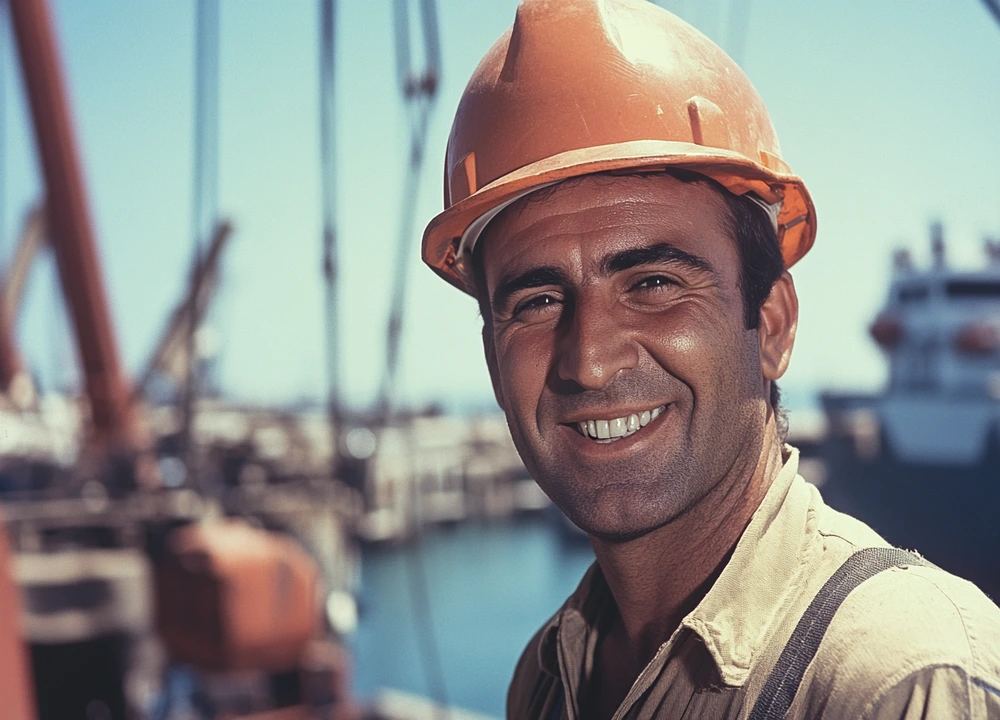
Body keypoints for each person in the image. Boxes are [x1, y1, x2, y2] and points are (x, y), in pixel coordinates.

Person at [420, 1, 1000, 718]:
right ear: (492, 360)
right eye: (538, 301)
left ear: (772, 325)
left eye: (654, 284)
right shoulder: (546, 677)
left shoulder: (900, 681)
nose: (590, 361)